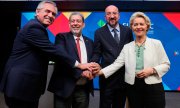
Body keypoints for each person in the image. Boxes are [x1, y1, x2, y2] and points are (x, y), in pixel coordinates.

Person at [0, 1, 94, 108]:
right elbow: (53, 51)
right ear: (37, 12)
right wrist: (79, 65)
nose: (50, 15)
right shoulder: (34, 27)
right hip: (21, 86)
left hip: (27, 87)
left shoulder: (38, 28)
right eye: (47, 11)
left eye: (53, 14)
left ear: (83, 24)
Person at [96, 12, 170, 108]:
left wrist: (152, 70)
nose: (138, 27)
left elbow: (166, 64)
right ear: (132, 27)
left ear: (147, 26)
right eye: (135, 24)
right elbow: (116, 64)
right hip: (133, 87)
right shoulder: (127, 47)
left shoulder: (156, 43)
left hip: (153, 87)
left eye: (141, 24)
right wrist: (99, 72)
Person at [48, 12, 95, 108]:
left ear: (83, 24)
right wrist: (81, 72)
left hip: (83, 88)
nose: (75, 23)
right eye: (72, 21)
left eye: (78, 21)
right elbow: (62, 57)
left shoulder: (90, 42)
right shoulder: (61, 37)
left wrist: (91, 70)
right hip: (64, 87)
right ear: (69, 24)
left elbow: (92, 59)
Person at [91, 5, 133, 108]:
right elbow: (97, 52)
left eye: (114, 13)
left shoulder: (127, 31)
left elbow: (131, 51)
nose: (112, 16)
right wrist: (94, 63)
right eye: (108, 14)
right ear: (105, 17)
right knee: (105, 105)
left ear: (119, 16)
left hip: (123, 76)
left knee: (119, 104)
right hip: (107, 77)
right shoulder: (99, 32)